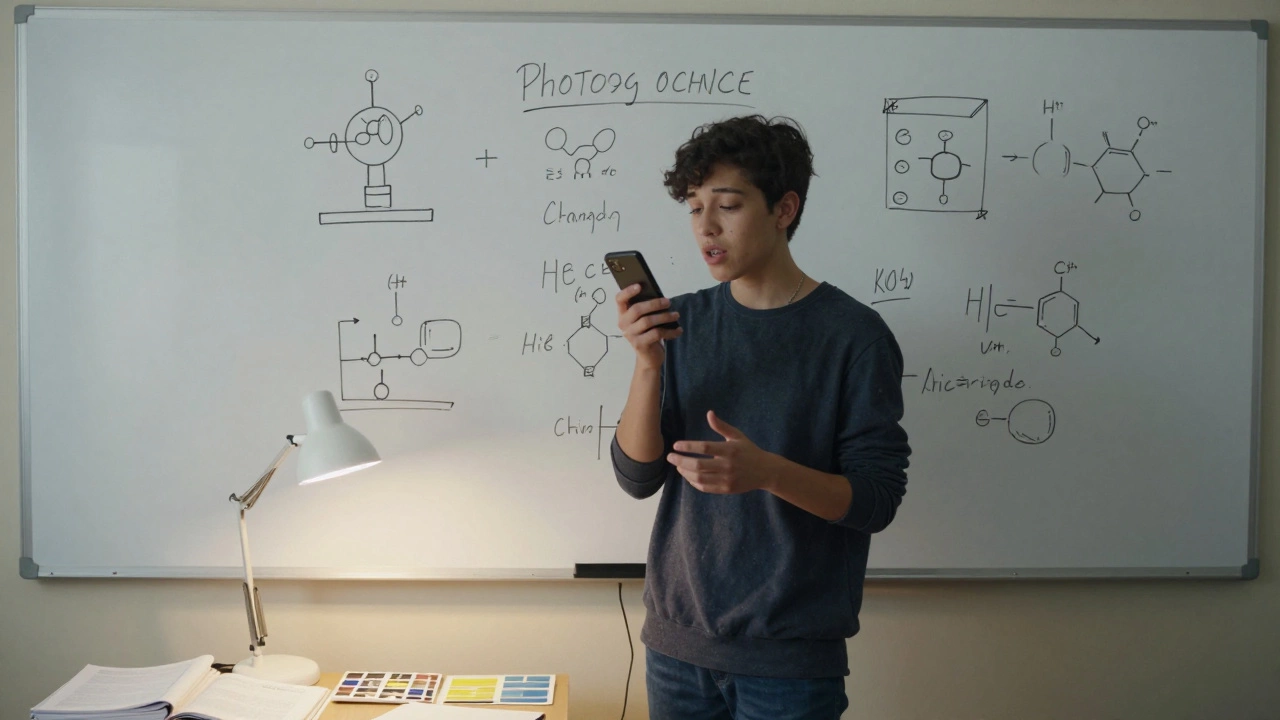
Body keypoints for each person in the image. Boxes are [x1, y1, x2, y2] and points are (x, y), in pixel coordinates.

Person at [609, 114, 912, 720]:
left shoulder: (854, 336)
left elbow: (876, 501)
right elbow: (638, 478)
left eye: (726, 205)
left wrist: (768, 472)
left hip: (790, 663)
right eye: (695, 208)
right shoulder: (683, 323)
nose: (707, 228)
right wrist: (647, 363)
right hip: (676, 648)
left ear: (783, 209)